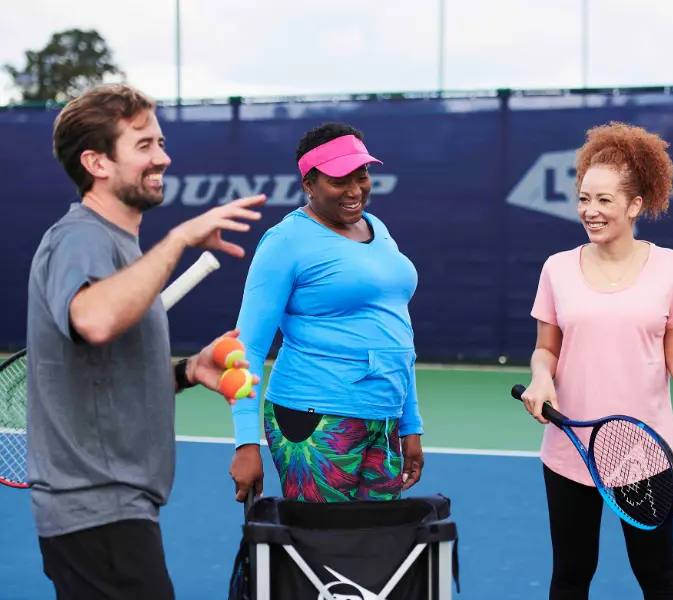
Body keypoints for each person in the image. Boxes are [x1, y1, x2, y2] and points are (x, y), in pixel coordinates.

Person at [26, 83, 265, 600]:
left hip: (112, 511)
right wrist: (178, 240)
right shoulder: (80, 238)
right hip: (95, 511)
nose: (163, 157)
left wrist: (187, 370)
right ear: (97, 163)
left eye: (159, 142)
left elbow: (106, 369)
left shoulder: (116, 250)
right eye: (144, 145)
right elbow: (93, 321)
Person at [519, 122, 673, 599]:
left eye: (605, 200)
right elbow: (545, 348)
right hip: (569, 449)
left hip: (644, 450)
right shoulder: (557, 268)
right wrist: (540, 379)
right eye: (584, 198)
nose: (590, 211)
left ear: (635, 206)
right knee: (571, 575)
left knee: (657, 575)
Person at [228, 122, 425, 504]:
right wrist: (245, 440)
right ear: (309, 184)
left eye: (362, 175)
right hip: (313, 418)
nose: (354, 191)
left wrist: (410, 423)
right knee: (318, 551)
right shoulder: (285, 241)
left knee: (376, 550)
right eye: (339, 181)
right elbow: (246, 347)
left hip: (383, 419)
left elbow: (399, 334)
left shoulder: (377, 228)